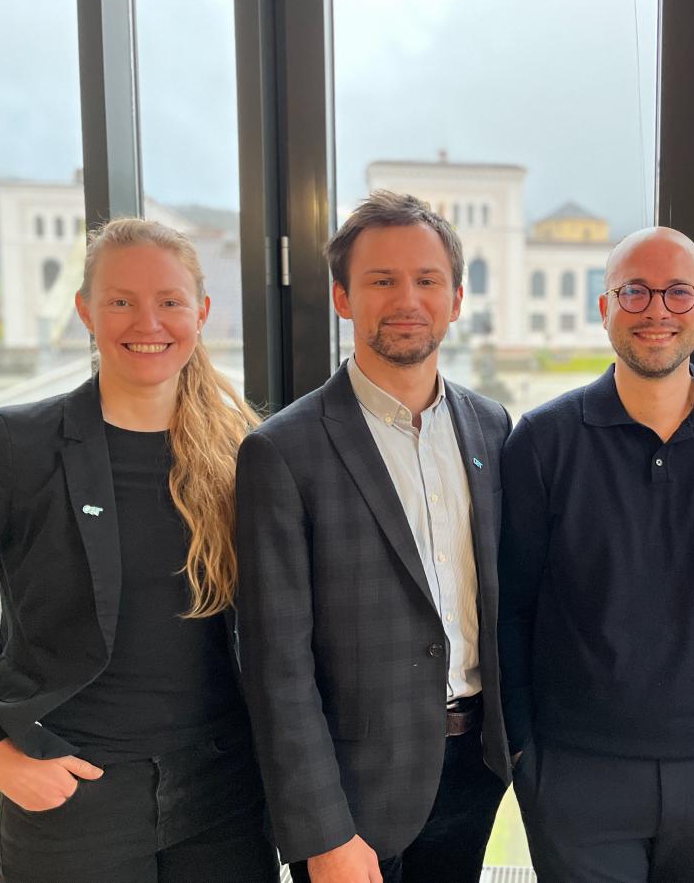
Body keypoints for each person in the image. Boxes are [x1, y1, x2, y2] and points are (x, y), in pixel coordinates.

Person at [0, 218, 277, 883]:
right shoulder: (14, 447)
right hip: (73, 800)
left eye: (170, 301)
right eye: (121, 300)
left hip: (225, 798)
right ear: (86, 310)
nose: (147, 320)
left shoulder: (243, 455)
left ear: (200, 313)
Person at [497, 226, 694, 882]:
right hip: (577, 775)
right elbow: (511, 608)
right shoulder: (543, 442)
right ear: (604, 307)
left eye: (678, 292)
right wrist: (526, 754)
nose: (657, 309)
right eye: (634, 291)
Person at [234, 190, 510, 883]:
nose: (406, 298)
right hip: (353, 793)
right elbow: (276, 663)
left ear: (456, 296)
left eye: (426, 279)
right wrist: (323, 830)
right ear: (343, 297)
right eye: (381, 280)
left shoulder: (493, 428)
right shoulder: (282, 451)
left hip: (475, 770)